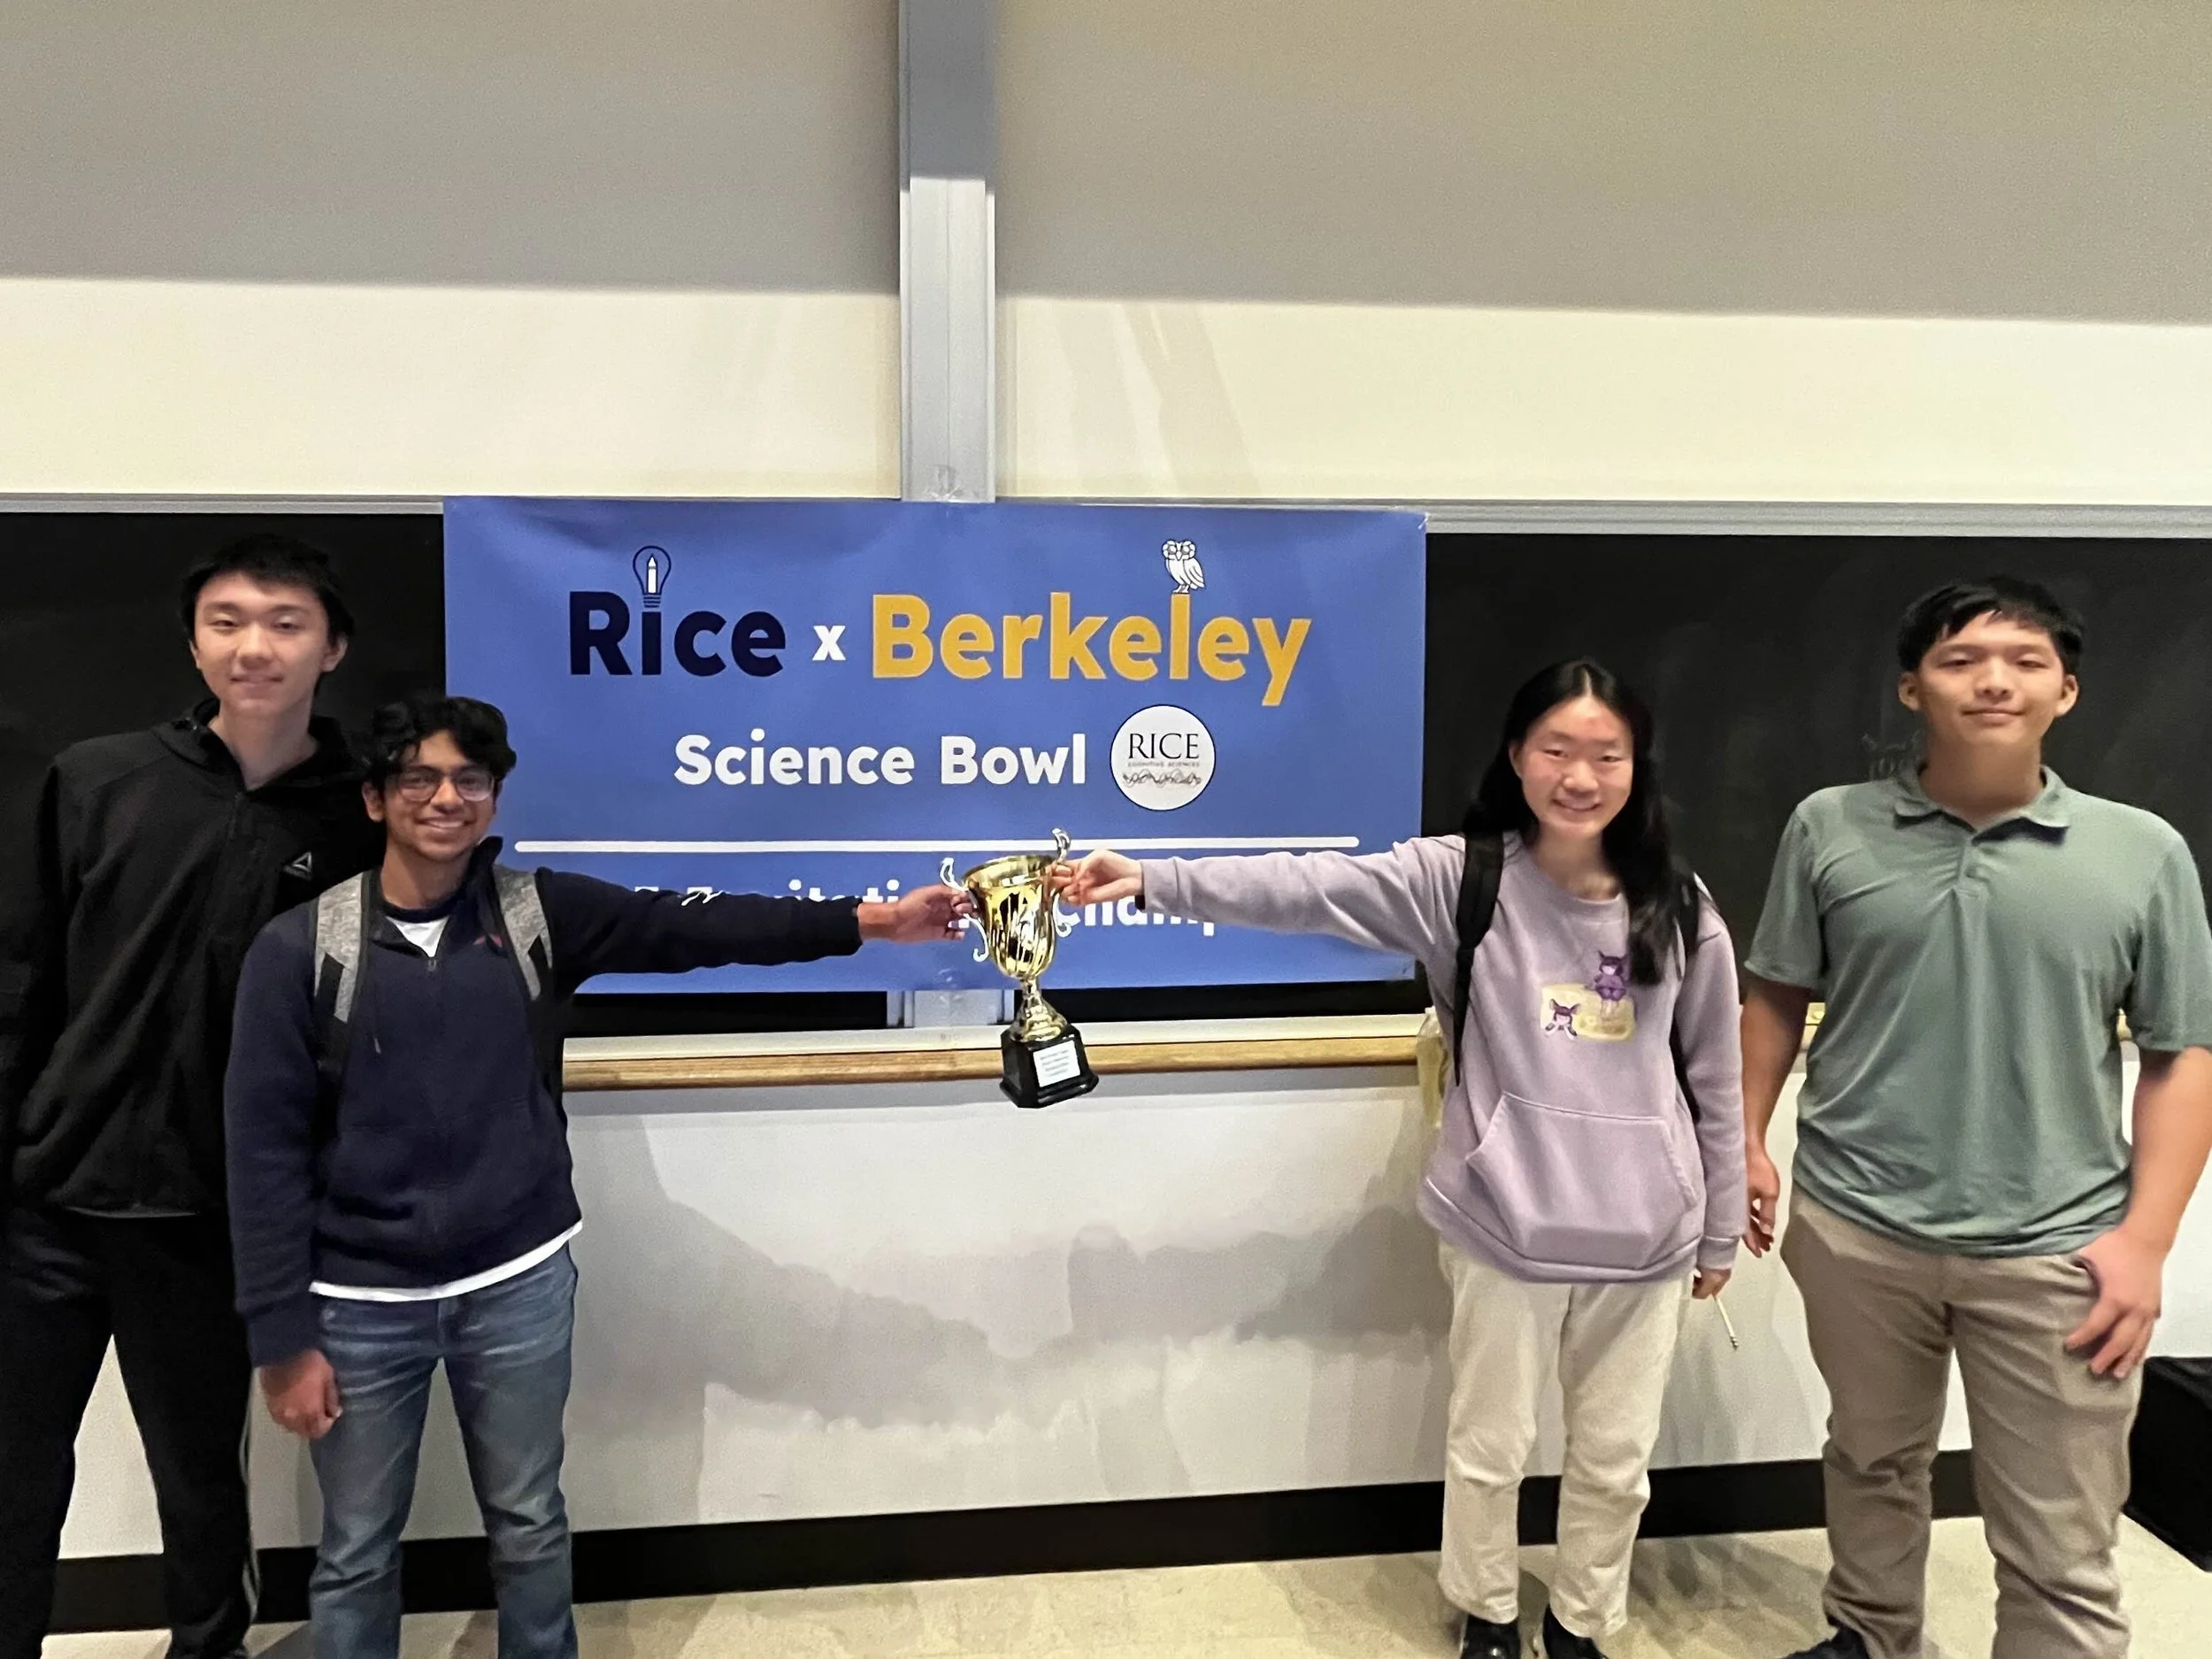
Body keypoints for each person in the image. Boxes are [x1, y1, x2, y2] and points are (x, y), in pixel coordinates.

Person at [223, 693, 967, 1659]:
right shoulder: (299, 950)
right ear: (374, 798)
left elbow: (700, 928)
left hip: (518, 1284)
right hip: (358, 1304)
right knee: (357, 1549)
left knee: (530, 1523)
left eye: (469, 779)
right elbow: (261, 1153)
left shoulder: (538, 915)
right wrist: (282, 1337)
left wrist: (875, 922)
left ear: (494, 796)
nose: (445, 799)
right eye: (418, 779)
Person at [1061, 660, 1744, 1659]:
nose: (1580, 777)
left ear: (1638, 766)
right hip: (1504, 1219)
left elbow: (1716, 1076)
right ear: (1516, 757)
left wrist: (1719, 1228)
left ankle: (1583, 1622)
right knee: (1490, 1446)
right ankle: (1488, 1612)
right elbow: (1309, 888)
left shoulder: (1679, 903)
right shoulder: (1459, 880)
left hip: (1646, 1236)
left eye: (1608, 755)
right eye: (1556, 750)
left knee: (1616, 1461)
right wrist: (1158, 880)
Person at [1740, 577, 2212, 1659]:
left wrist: (2144, 1245)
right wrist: (1744, 1142)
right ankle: (1868, 1636)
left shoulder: (2142, 851)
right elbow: (1773, 993)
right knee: (1870, 1458)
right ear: (1912, 688)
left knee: (2058, 1527)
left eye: (2024, 660)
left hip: (2056, 1246)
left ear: (2066, 691)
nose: (1993, 681)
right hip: (1856, 1226)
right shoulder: (1828, 826)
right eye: (1959, 660)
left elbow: (2182, 1055)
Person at [0, 534, 382, 1659]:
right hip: (50, 1198)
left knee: (202, 1479)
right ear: (194, 642)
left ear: (332, 648)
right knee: (13, 1468)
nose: (253, 646)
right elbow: (22, 974)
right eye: (227, 622)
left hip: (212, 1213)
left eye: (285, 623)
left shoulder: (359, 819)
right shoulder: (98, 778)